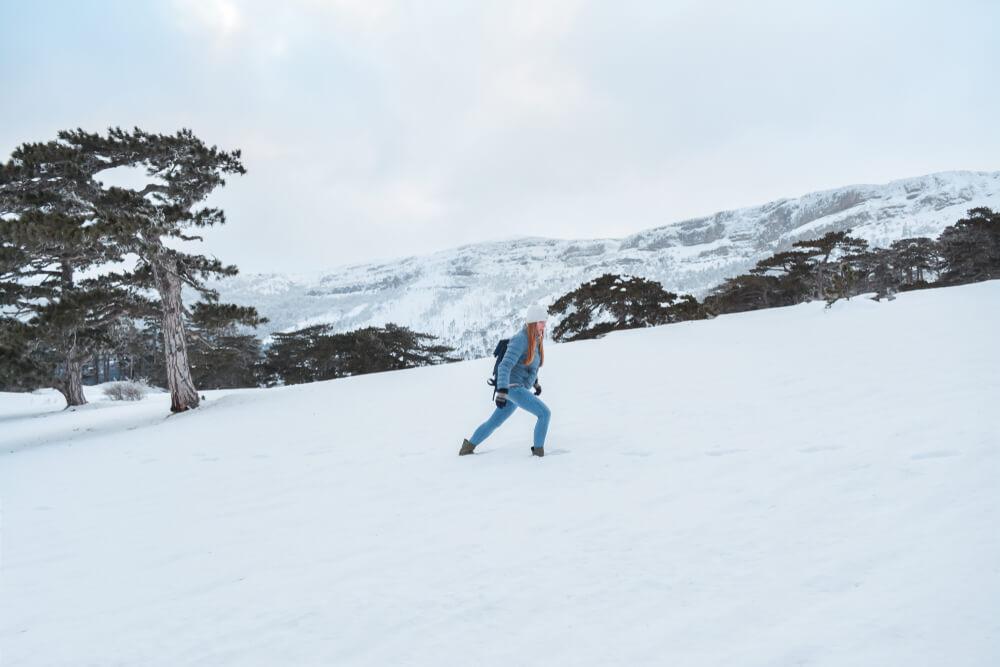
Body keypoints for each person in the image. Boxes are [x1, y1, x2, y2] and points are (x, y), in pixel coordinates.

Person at [460, 305, 551, 457]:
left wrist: (535, 382)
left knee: (494, 422)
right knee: (544, 414)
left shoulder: (536, 339)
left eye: (545, 321)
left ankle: (468, 447)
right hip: (512, 388)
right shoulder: (521, 339)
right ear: (533, 322)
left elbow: (529, 364)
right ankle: (539, 453)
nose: (544, 325)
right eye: (542, 321)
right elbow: (505, 366)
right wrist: (502, 391)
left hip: (517, 388)